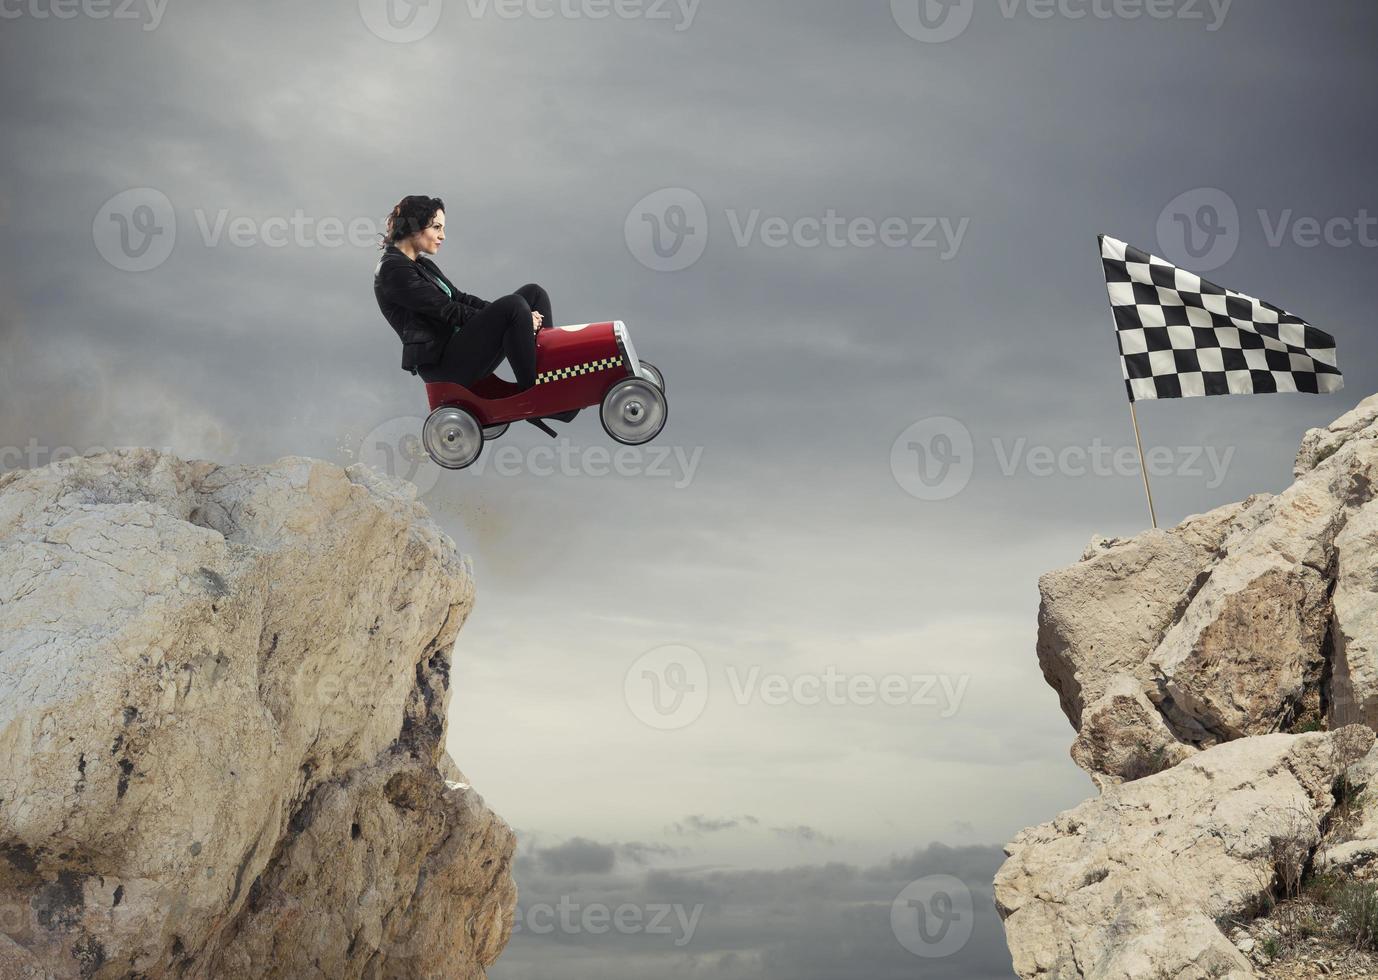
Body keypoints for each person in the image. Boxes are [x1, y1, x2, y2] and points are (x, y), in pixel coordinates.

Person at [373, 195, 553, 392]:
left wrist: (517, 318)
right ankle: (534, 394)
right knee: (514, 306)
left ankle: (551, 376)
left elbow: (460, 298)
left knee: (533, 294)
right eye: (436, 227)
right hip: (443, 366)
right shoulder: (393, 269)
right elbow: (448, 310)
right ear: (414, 227)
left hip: (458, 349)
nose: (443, 236)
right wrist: (516, 318)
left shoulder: (421, 264)